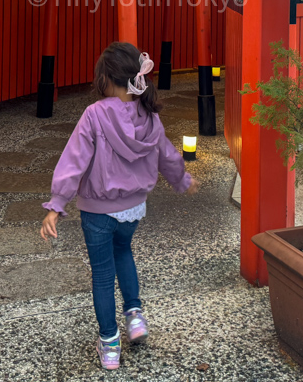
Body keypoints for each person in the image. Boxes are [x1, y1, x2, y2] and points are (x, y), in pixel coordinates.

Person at [40, 41, 199, 371]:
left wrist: (57, 204)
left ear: (106, 78)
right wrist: (181, 180)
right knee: (124, 253)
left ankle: (110, 345)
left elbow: (74, 160)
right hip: (133, 209)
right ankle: (135, 316)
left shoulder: (95, 114)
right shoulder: (149, 116)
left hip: (98, 210)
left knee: (101, 274)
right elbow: (167, 154)